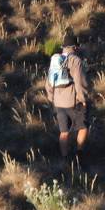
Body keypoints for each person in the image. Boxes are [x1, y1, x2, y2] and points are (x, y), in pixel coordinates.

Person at [44, 31, 89, 161]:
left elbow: (48, 84)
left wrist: (52, 98)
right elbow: (80, 83)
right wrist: (83, 99)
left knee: (64, 132)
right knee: (83, 127)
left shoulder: (55, 60)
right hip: (73, 102)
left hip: (58, 103)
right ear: (75, 47)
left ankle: (65, 159)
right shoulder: (75, 60)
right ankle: (79, 155)